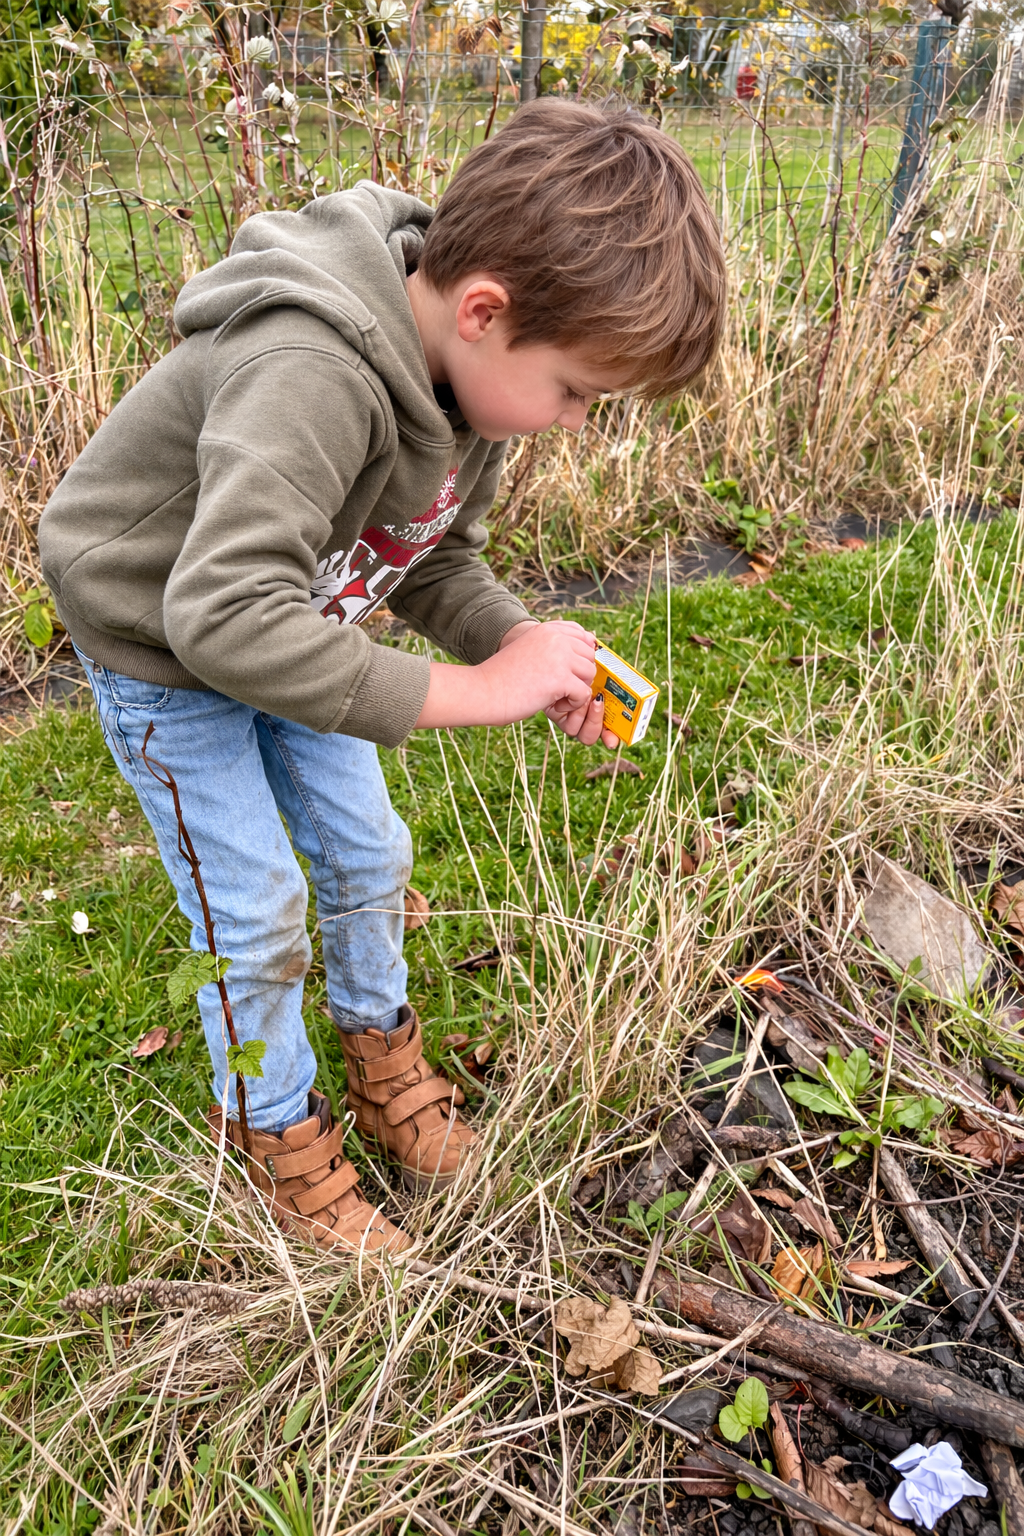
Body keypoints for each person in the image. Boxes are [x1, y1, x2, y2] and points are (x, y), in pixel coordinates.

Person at [38, 99, 726, 1255]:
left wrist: (518, 645)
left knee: (369, 852)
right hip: (164, 650)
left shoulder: (469, 390)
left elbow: (427, 555)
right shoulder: (308, 366)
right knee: (252, 909)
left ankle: (380, 1063)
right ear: (484, 309)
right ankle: (272, 1129)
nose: (570, 421)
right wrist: (472, 695)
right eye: (575, 392)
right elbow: (219, 614)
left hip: (294, 625)